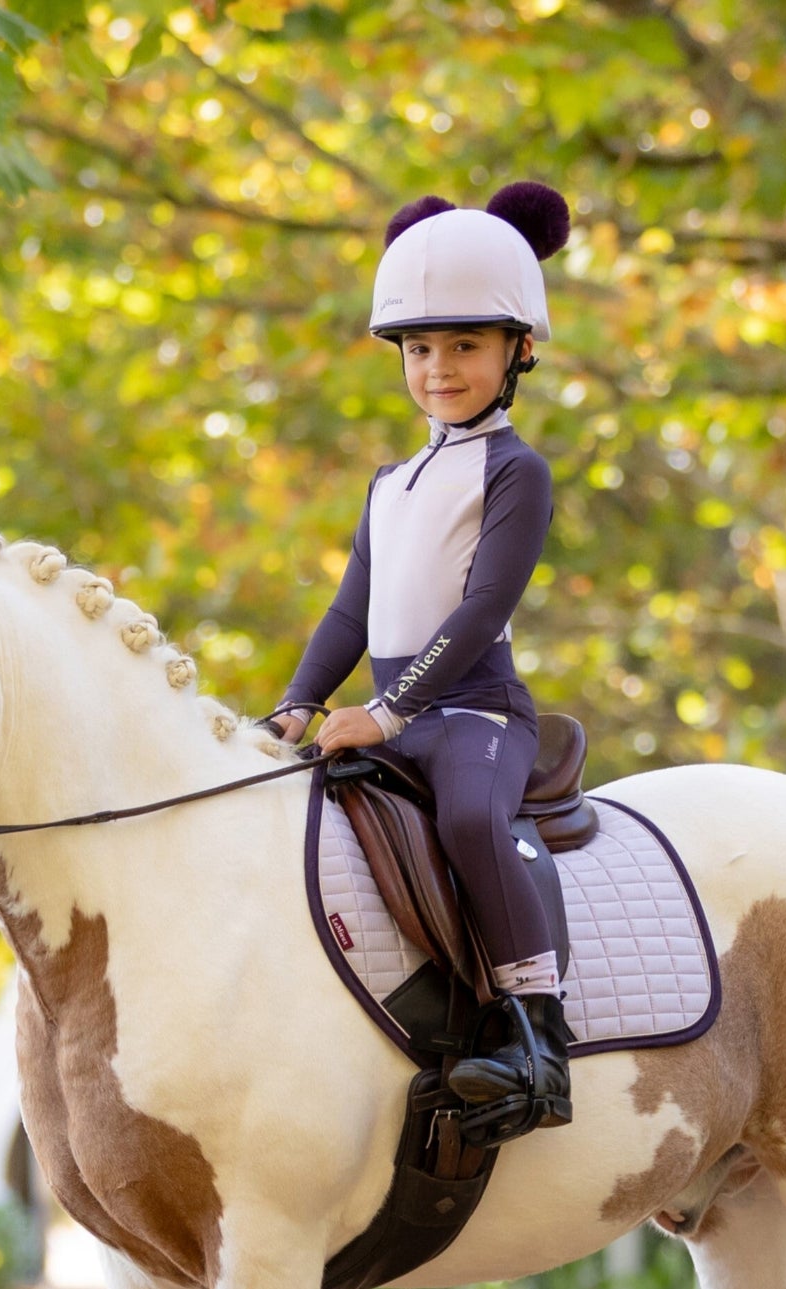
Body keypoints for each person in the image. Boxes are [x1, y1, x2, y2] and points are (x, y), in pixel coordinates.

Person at [269, 182, 575, 1135]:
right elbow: (350, 607)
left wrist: (389, 714)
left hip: (475, 713)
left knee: (474, 820)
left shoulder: (515, 470)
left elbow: (483, 610)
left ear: (518, 349)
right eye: (419, 349)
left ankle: (536, 1039)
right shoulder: (389, 482)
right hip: (395, 712)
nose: (438, 369)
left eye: (465, 347)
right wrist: (295, 703)